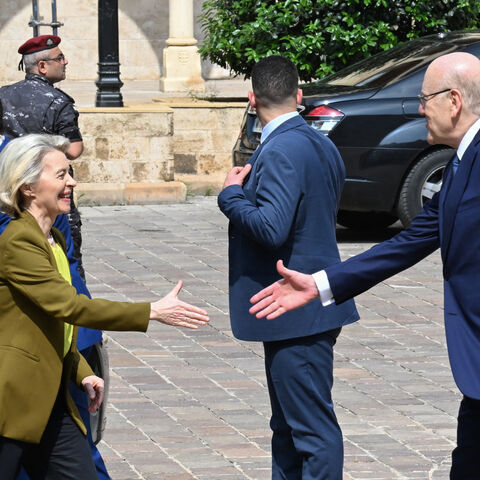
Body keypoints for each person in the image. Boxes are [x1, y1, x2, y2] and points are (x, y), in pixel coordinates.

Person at [250, 52, 480, 479]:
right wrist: (320, 284)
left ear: (453, 101)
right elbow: (408, 242)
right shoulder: (462, 161)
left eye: (424, 97)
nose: (418, 108)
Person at [0, 134, 209, 479]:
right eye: (60, 175)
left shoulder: (54, 238)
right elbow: (71, 307)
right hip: (13, 403)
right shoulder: (18, 241)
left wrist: (81, 371)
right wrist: (151, 311)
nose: (71, 182)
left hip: (52, 402)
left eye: (69, 173)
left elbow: (52, 324)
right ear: (28, 187)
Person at [217, 56, 358, 479]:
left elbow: (270, 227)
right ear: (298, 96)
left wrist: (231, 195)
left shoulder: (280, 148)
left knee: (310, 432)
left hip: (297, 310)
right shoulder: (320, 141)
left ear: (251, 98)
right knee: (288, 428)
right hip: (306, 304)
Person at [0, 34, 85, 278]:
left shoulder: (3, 95)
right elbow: (74, 150)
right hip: (48, 191)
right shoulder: (59, 101)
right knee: (64, 256)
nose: (65, 62)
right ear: (42, 66)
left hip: (8, 190)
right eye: (60, 58)